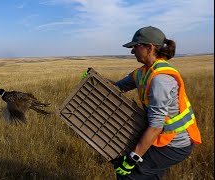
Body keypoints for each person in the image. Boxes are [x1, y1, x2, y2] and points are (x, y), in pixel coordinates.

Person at [84, 26, 202, 179]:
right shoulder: (142, 72)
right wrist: (93, 79)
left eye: (135, 47)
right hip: (162, 139)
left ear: (150, 47)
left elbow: (155, 126)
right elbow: (117, 87)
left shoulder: (161, 80)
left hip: (174, 144)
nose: (132, 52)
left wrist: (133, 158)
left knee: (128, 174)